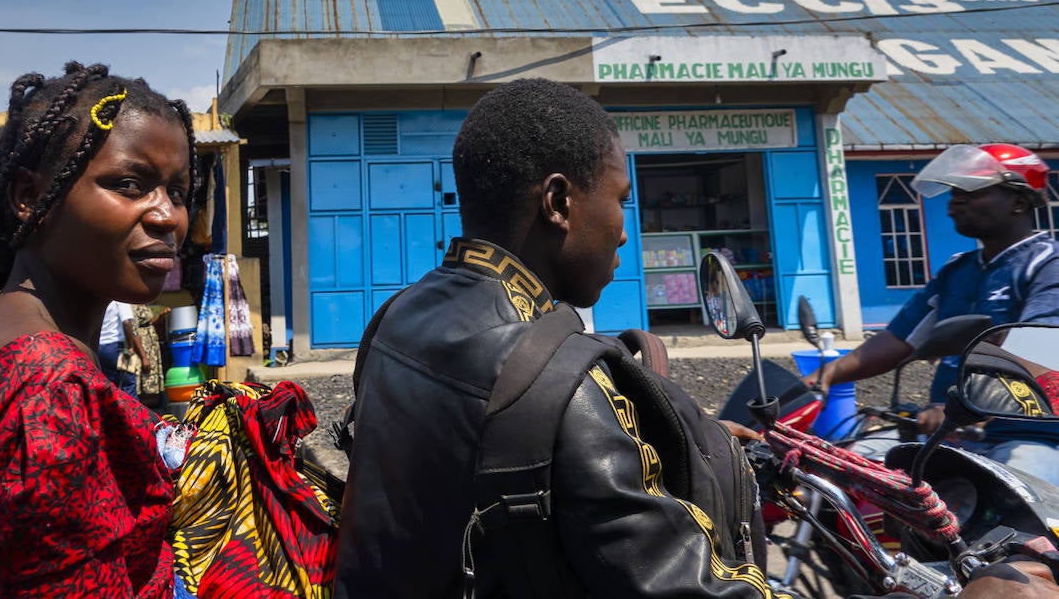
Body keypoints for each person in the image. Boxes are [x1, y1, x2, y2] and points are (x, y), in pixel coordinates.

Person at [335, 79, 785, 599]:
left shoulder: (394, 318)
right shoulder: (561, 386)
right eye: (620, 199)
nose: (622, 231)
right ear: (557, 202)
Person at [0, 62, 197, 597]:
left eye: (176, 192)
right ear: (29, 196)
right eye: (130, 184)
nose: (167, 216)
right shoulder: (50, 388)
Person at [804, 143, 1059, 480]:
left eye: (971, 190)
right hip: (948, 432)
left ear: (1018, 201)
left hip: (1025, 436)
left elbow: (1042, 350)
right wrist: (825, 376)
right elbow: (899, 339)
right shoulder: (958, 271)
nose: (955, 203)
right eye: (953, 192)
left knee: (1014, 520)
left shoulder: (1046, 264)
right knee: (835, 471)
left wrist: (970, 410)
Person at [97, 300, 141, 395]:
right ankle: (131, 409)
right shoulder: (121, 300)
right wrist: (131, 347)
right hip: (115, 346)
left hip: (99, 347)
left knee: (108, 384)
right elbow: (126, 322)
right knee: (128, 383)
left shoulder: (102, 298)